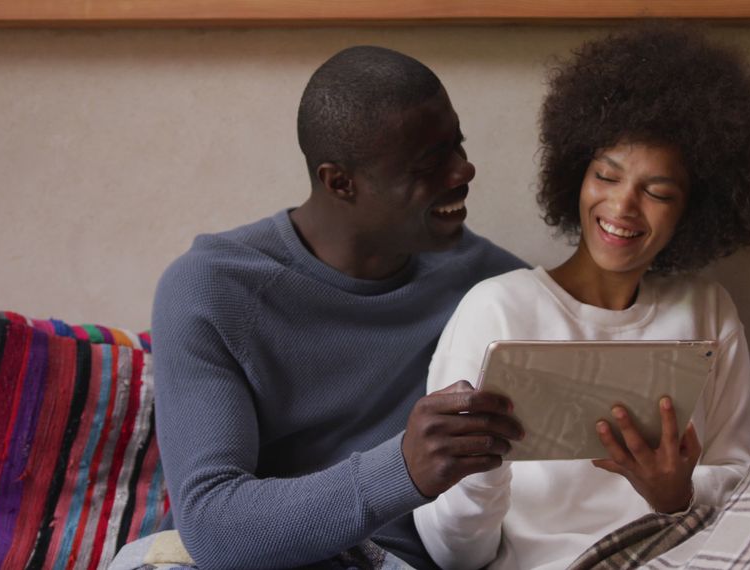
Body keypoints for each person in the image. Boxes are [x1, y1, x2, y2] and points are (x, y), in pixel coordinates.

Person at [413, 25, 750, 570]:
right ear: (577, 174)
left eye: (658, 192)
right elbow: (456, 556)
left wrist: (677, 497)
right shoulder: (497, 309)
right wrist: (483, 473)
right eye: (606, 176)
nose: (623, 207)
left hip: (691, 555)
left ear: (693, 208)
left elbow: (742, 482)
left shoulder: (707, 309)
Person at [144, 46, 527, 569]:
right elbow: (213, 525)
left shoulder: (492, 284)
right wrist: (403, 468)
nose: (464, 171)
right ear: (339, 181)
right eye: (430, 162)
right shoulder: (211, 289)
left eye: (457, 146)